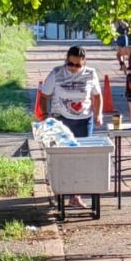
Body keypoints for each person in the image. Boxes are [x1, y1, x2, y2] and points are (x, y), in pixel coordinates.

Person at [39, 46, 103, 208]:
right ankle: (60, 191)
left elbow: (97, 96)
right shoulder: (56, 73)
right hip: (61, 119)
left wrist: (98, 114)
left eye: (78, 65)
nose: (74, 68)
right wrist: (45, 114)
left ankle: (76, 195)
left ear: (84, 63)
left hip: (84, 120)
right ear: (66, 60)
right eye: (71, 64)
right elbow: (44, 96)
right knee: (62, 157)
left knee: (81, 158)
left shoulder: (91, 74)